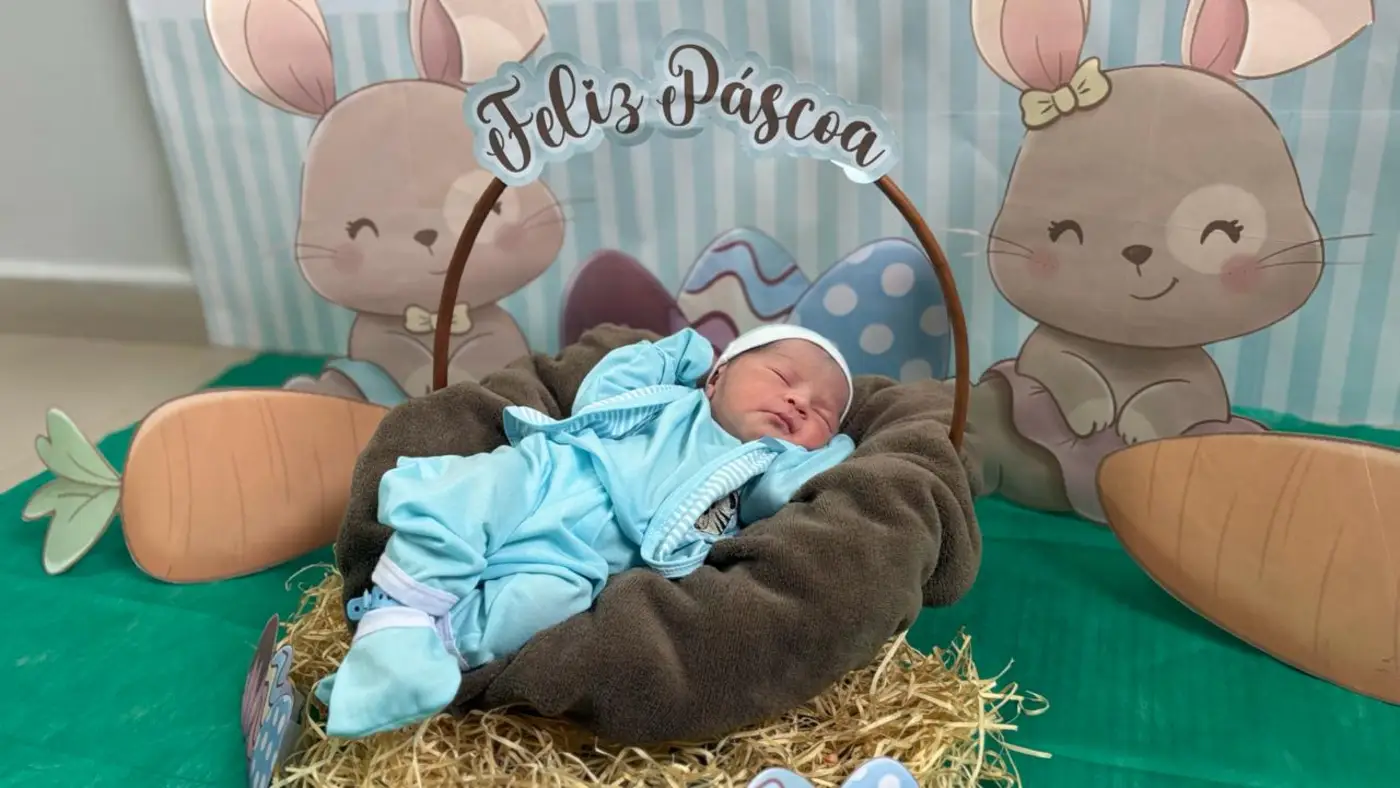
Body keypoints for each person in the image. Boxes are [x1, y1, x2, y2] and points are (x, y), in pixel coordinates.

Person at [314, 324, 857, 737]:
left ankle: (426, 655)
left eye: (823, 413)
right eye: (783, 378)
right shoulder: (672, 402)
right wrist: (672, 352)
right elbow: (603, 391)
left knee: (542, 605)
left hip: (582, 560)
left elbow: (793, 488)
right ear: (717, 378)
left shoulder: (755, 472)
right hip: (555, 477)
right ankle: (398, 610)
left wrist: (836, 446)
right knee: (473, 495)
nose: (799, 402)